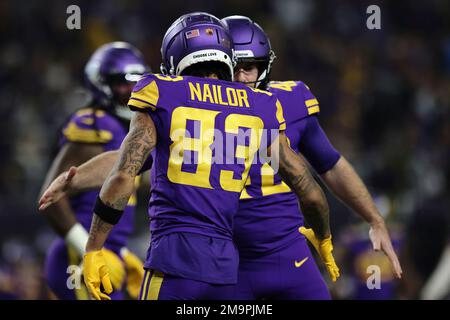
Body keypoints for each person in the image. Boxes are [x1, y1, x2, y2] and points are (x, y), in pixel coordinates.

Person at [75, 12, 333, 300]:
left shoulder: (160, 90)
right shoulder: (261, 105)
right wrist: (323, 236)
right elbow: (309, 192)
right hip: (225, 272)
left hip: (174, 261)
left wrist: (94, 247)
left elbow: (124, 175)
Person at [218, 15, 402, 299]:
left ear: (264, 67)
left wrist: (375, 219)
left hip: (290, 260)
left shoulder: (291, 101)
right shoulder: (191, 111)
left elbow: (331, 164)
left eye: (249, 68)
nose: (241, 80)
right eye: (231, 69)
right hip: (226, 264)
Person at [39, 42, 149, 300]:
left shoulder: (129, 129)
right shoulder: (95, 123)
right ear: (100, 83)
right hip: (77, 257)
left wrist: (121, 254)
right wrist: (89, 250)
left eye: (137, 83)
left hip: (106, 255)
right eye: (122, 83)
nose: (131, 91)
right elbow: (51, 198)